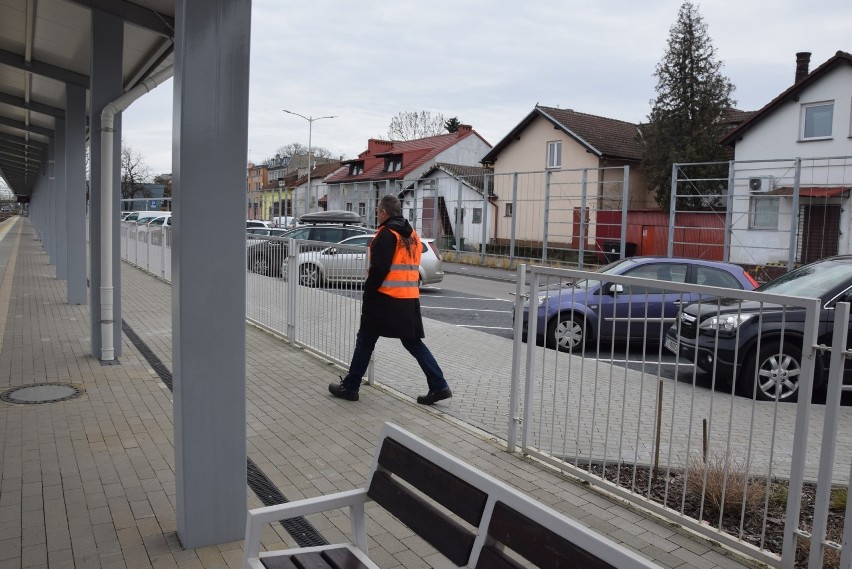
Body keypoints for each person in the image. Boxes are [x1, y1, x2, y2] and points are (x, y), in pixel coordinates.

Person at [328, 194, 452, 405]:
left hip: (384, 299)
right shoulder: (411, 234)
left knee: (365, 341)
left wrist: (368, 293)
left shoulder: (386, 234)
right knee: (413, 343)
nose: (377, 215)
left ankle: (350, 387)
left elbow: (379, 270)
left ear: (384, 212)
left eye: (377, 211)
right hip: (409, 298)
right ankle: (439, 386)